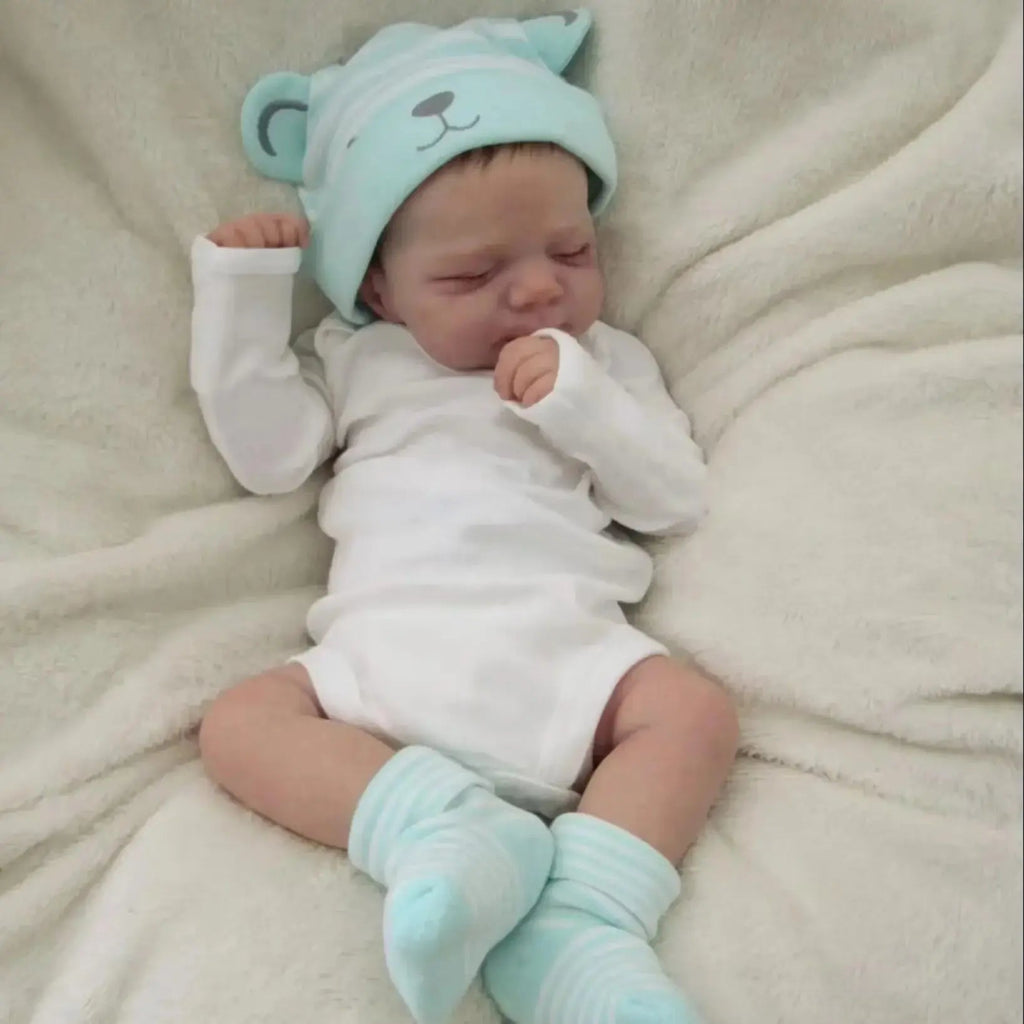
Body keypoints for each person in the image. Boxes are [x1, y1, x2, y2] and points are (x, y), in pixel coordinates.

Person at [191, 11, 738, 1024]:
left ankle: (582, 919)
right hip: (380, 666)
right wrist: (242, 299)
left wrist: (581, 406)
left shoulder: (605, 362)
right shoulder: (359, 359)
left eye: (571, 250)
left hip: (568, 657)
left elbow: (673, 498)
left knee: (695, 716)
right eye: (472, 276)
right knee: (236, 726)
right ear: (377, 287)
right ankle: (439, 832)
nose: (536, 290)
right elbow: (269, 460)